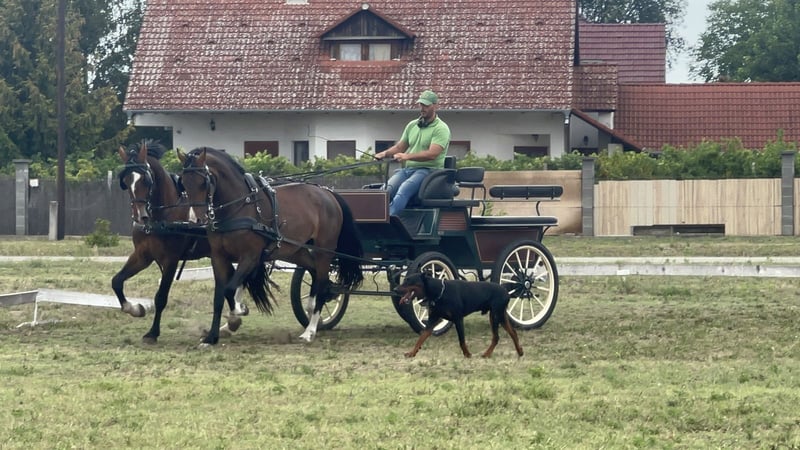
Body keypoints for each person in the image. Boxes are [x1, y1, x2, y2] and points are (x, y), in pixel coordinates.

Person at [375, 90, 451, 216]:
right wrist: (384, 154)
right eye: (421, 104)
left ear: (435, 106)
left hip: (429, 171)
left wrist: (406, 156)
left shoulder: (441, 128)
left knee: (405, 188)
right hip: (408, 170)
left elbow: (432, 154)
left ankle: (388, 219)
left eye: (426, 105)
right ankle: (372, 218)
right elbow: (400, 147)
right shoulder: (412, 125)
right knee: (385, 190)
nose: (422, 108)